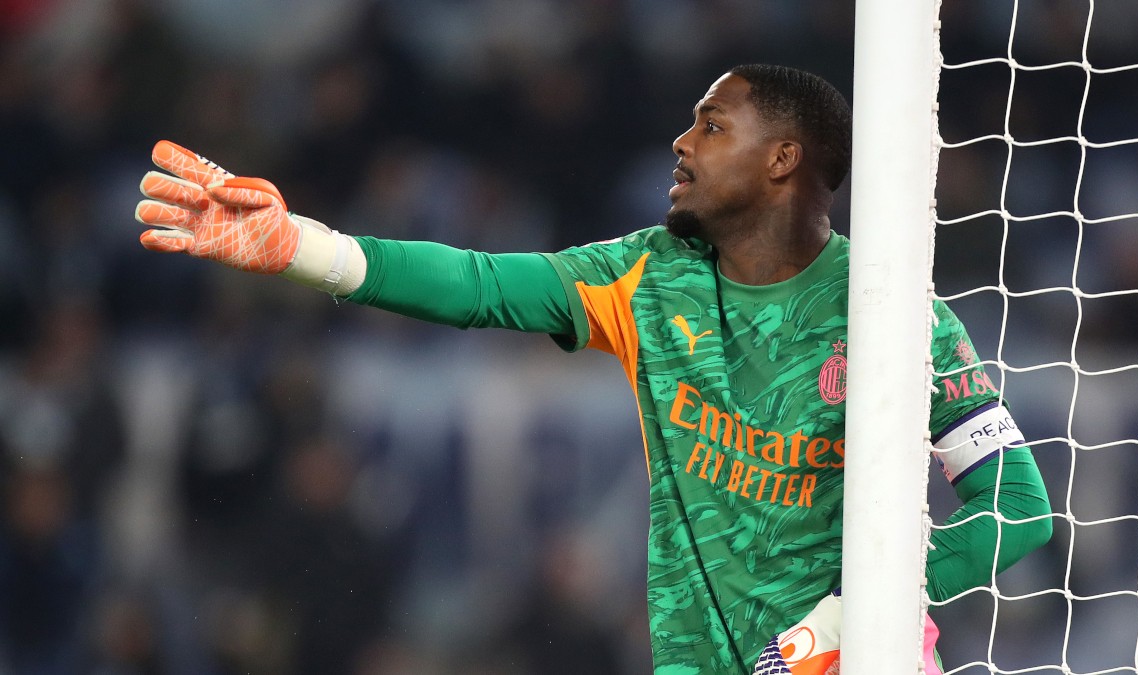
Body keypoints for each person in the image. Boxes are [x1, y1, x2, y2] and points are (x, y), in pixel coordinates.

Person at [133, 64, 1052, 675]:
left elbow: (1018, 503)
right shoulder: (647, 275)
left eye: (711, 125)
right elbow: (481, 284)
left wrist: (845, 622)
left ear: (783, 159)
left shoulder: (889, 311)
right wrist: (303, 246)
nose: (682, 143)